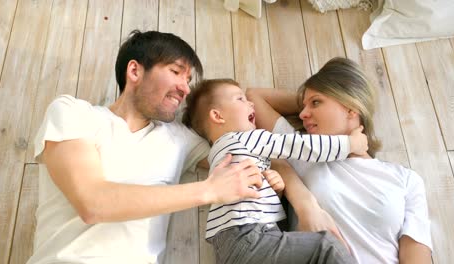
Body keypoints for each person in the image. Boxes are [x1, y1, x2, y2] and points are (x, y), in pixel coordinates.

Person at [27, 30, 265, 264]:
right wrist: (208, 190)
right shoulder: (74, 113)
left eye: (188, 80)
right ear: (134, 71)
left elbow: (245, 149)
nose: (186, 88)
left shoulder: (181, 140)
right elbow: (93, 203)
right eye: (176, 72)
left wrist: (299, 103)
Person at [246, 57, 433, 264]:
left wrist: (346, 95)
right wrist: (315, 97)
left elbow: (417, 256)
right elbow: (254, 97)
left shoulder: (406, 180)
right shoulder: (302, 152)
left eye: (315, 102)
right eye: (303, 106)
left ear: (351, 108)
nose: (302, 113)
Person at [182, 78, 369, 263]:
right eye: (240, 99)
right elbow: (298, 145)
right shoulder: (245, 138)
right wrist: (350, 143)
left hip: (230, 246)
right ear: (217, 116)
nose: (251, 103)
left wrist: (275, 191)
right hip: (249, 236)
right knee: (326, 247)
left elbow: (249, 200)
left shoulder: (218, 155)